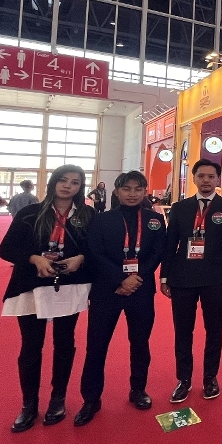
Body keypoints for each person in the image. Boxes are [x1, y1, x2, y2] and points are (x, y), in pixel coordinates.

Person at [0, 165, 94, 432]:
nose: (67, 186)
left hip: (69, 286)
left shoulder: (87, 215)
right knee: (31, 346)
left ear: (80, 187)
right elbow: (6, 248)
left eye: (75, 182)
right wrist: (34, 258)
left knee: (64, 343)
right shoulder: (30, 213)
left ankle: (57, 399)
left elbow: (96, 248)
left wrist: (81, 258)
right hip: (31, 285)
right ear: (53, 182)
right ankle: (29, 405)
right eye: (63, 180)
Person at [73, 171, 167, 426]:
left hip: (141, 290)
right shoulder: (102, 219)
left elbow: (158, 251)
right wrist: (120, 280)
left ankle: (138, 389)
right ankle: (91, 399)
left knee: (140, 343)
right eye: (126, 189)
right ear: (116, 192)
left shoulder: (155, 219)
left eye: (138, 189)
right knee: (96, 345)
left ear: (145, 191)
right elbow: (94, 252)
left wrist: (138, 277)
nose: (132, 194)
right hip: (107, 291)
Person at [161, 159, 222, 404]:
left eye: (211, 176)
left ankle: (210, 377)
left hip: (214, 277)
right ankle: (184, 379)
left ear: (218, 179)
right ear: (194, 178)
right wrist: (164, 276)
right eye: (201, 176)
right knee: (183, 330)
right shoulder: (180, 207)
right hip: (182, 276)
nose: (206, 180)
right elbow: (170, 243)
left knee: (214, 329)